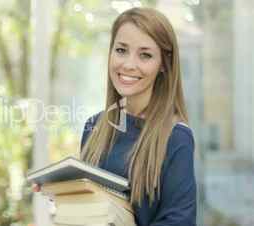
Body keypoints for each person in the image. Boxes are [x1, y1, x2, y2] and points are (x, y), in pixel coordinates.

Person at [79, 7, 196, 226]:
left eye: (145, 55)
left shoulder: (176, 138)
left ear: (164, 64)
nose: (129, 64)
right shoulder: (93, 126)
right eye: (121, 50)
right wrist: (60, 191)